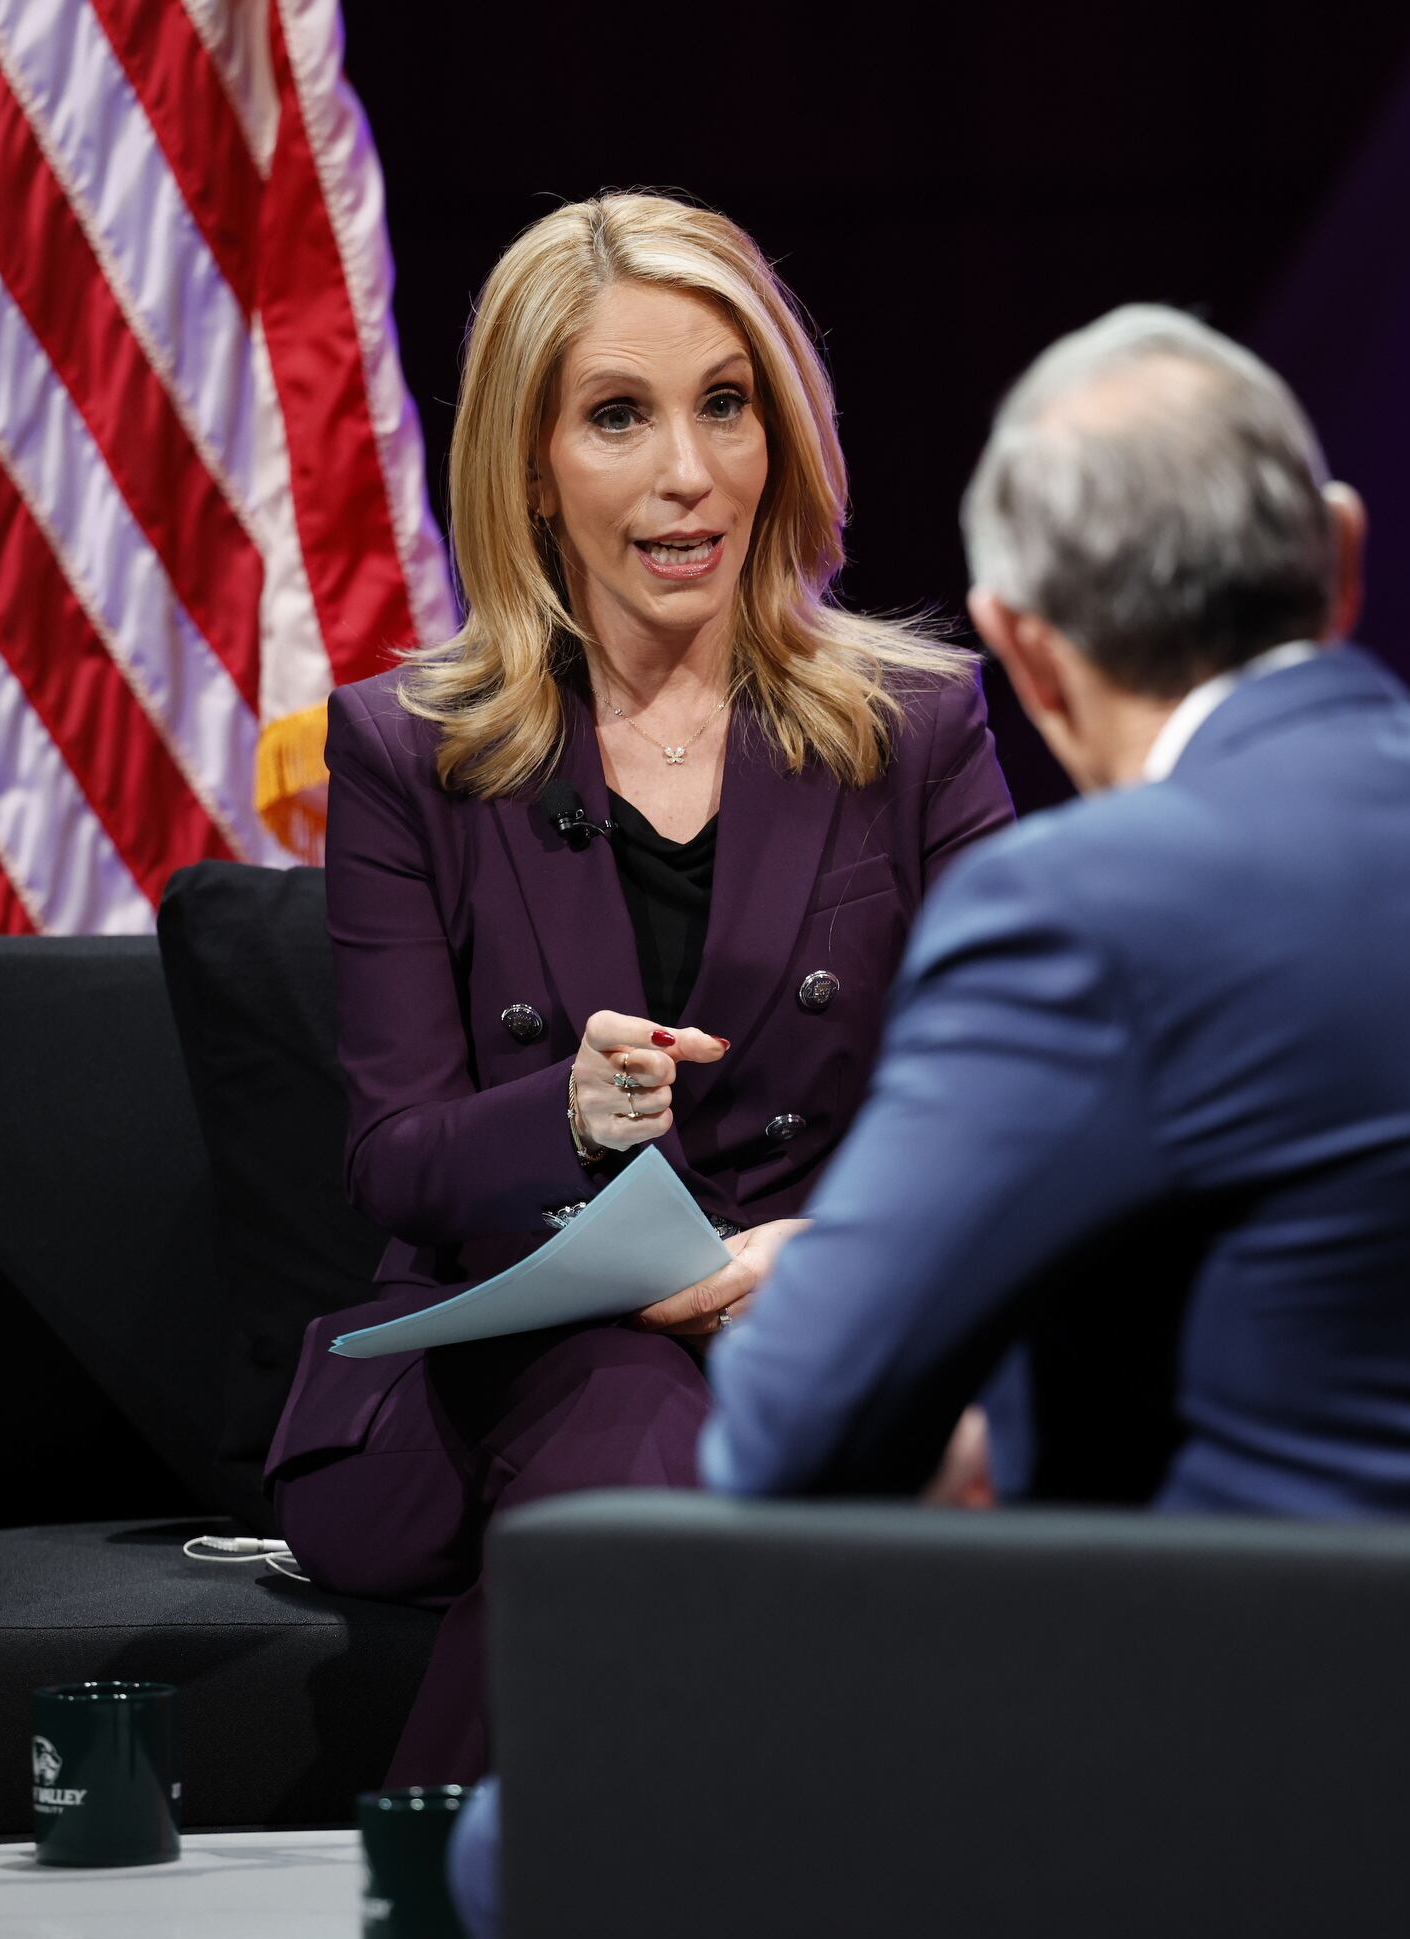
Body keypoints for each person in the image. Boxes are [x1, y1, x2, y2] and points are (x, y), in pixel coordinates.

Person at [447, 301, 1410, 1939]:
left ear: (1025, 647)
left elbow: (798, 1430)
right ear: (1338, 560)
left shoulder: (1086, 905)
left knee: (530, 1826)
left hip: (1268, 1755)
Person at [267, 193, 1014, 1785]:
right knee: (633, 1430)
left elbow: (1017, 1089)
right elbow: (393, 1159)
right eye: (620, 417)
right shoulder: (413, 751)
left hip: (811, 1309)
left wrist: (841, 1243)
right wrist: (573, 1116)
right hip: (526, 1337)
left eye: (725, 406)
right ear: (532, 470)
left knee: (736, 1425)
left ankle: (462, 1899)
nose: (690, 472)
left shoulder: (917, 724)